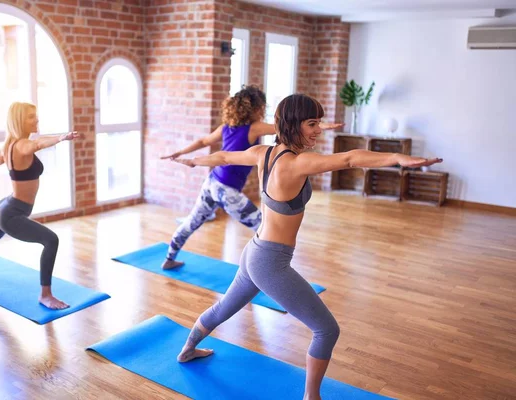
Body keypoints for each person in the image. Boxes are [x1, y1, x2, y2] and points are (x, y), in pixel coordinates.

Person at [171, 93, 442, 400]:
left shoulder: (264, 152)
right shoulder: (297, 164)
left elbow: (222, 157)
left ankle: (187, 350)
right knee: (327, 330)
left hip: (255, 252)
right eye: (312, 123)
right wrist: (397, 158)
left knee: (224, 308)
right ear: (292, 124)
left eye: (319, 122)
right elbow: (350, 158)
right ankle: (311, 397)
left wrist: (193, 160)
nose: (317, 129)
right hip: (269, 262)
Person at [160, 85, 341, 270]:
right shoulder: (253, 127)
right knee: (263, 227)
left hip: (212, 182)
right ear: (255, 108)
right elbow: (284, 126)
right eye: (262, 107)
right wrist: (321, 126)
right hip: (226, 190)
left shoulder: (226, 127)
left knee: (192, 222)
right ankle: (260, 271)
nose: (263, 111)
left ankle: (169, 258)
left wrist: (180, 152)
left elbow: (203, 141)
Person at [0, 101, 82, 310]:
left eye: (36, 115)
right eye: (32, 116)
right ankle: (45, 295)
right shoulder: (22, 145)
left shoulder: (9, 145)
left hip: (6, 206)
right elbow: (38, 144)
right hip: (12, 213)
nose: (37, 119)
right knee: (51, 240)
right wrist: (61, 137)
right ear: (20, 120)